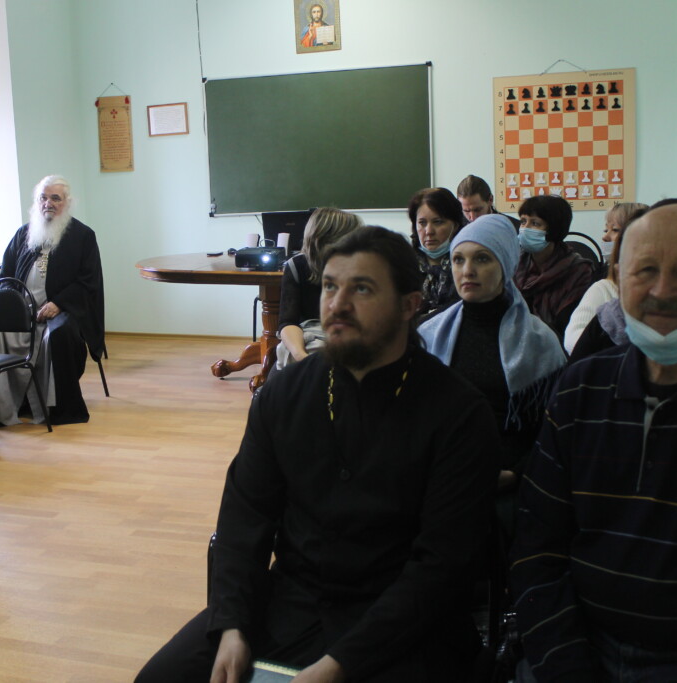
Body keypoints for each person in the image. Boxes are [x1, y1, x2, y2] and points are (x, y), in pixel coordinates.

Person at [136, 227, 499, 682]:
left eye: (361, 289)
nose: (337, 304)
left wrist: (338, 666)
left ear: (409, 305)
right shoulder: (283, 394)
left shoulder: (459, 413)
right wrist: (232, 626)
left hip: (406, 623)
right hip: (291, 600)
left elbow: (442, 566)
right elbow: (244, 517)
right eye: (329, 286)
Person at [511, 203, 677, 681]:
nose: (662, 291)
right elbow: (536, 548)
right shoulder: (580, 389)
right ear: (617, 279)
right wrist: (566, 667)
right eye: (644, 270)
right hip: (577, 646)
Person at [419, 214, 564, 503]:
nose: (467, 271)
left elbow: (555, 429)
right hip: (440, 473)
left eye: (482, 259)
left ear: (505, 265)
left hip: (512, 478)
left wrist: (516, 474)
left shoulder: (539, 342)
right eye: (458, 260)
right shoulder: (429, 333)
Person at [0, 174, 104, 426]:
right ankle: (8, 405)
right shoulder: (23, 234)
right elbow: (7, 275)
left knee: (60, 335)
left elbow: (88, 281)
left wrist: (58, 303)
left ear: (67, 203)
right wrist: (15, 306)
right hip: (23, 311)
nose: (48, 203)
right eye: (43, 198)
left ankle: (54, 406)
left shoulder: (83, 236)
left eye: (55, 198)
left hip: (63, 309)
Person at [275, 207, 361, 370]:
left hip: (347, 333)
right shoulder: (297, 265)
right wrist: (301, 356)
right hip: (309, 335)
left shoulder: (361, 268)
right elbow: (287, 322)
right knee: (286, 353)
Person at [563, 202, 647, 354]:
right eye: (605, 230)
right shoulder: (603, 288)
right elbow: (573, 341)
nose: (605, 237)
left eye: (615, 230)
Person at [514, 194, 596, 340]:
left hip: (558, 344)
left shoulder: (578, 270)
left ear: (554, 230)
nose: (525, 228)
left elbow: (568, 325)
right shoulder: (515, 262)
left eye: (535, 223)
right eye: (523, 221)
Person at [407, 187, 467, 318]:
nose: (429, 231)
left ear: (455, 225)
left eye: (438, 222)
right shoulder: (404, 264)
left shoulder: (467, 265)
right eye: (422, 223)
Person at [456, 174, 520, 229]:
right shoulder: (455, 229)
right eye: (466, 211)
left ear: (490, 200)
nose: (472, 218)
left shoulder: (514, 228)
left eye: (477, 210)